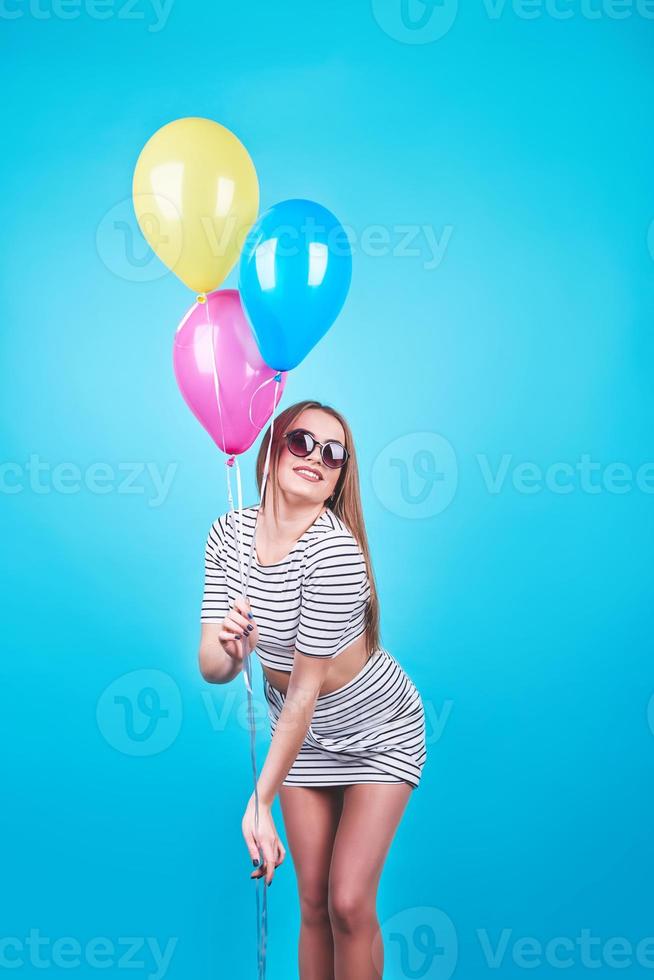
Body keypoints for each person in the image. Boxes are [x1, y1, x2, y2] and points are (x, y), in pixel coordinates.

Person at [198, 399, 427, 979]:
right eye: (302, 442)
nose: (317, 458)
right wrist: (230, 648)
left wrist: (260, 800)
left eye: (334, 454)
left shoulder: (335, 553)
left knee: (349, 902)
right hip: (303, 741)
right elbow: (211, 668)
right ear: (272, 449)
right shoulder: (228, 534)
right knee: (312, 904)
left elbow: (304, 693)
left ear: (337, 481)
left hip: (378, 730)